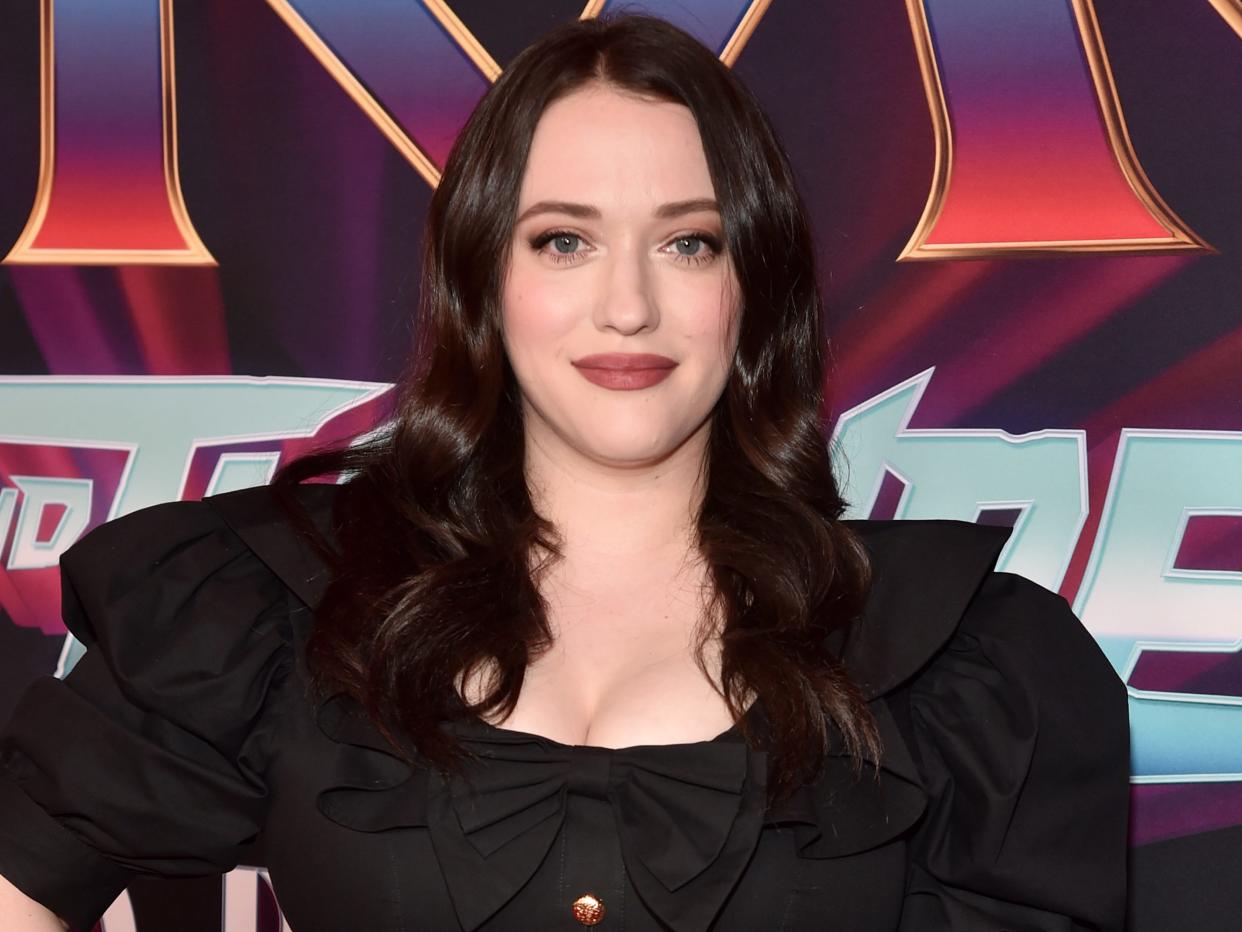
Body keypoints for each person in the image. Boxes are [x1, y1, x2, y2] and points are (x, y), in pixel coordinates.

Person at [0, 13, 1128, 932]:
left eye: (689, 241)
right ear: (484, 281)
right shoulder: (287, 604)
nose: (627, 303)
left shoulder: (960, 662)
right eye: (563, 240)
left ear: (756, 287)